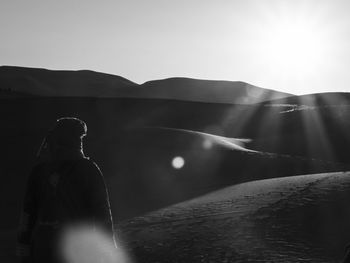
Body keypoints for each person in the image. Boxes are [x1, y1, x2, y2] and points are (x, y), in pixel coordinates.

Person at [17, 117, 116, 263]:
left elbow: (27, 214)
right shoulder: (88, 170)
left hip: (44, 249)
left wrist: (23, 248)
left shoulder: (39, 171)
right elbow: (103, 214)